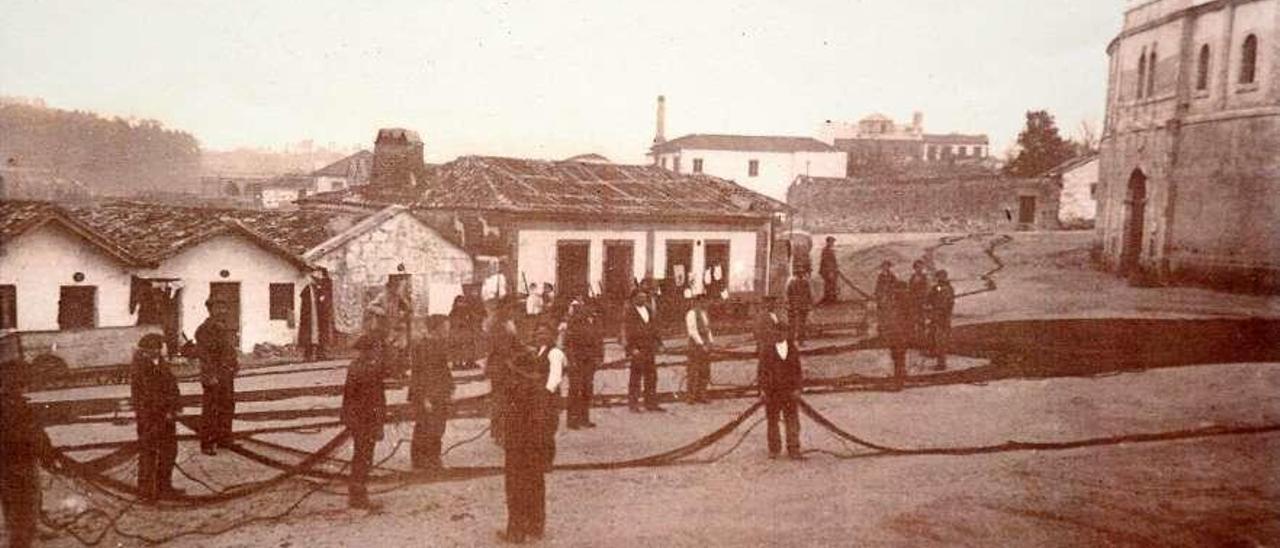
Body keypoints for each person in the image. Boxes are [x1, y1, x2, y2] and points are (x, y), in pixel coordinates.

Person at [498, 324, 559, 543]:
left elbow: (509, 420)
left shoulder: (515, 389)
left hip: (517, 446)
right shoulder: (541, 391)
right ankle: (536, 526)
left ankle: (516, 531)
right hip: (537, 446)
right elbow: (550, 423)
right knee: (536, 484)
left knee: (515, 486)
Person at [130, 334, 183, 500]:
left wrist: (175, 407)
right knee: (149, 454)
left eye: (159, 348)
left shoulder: (161, 364)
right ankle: (145, 492)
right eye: (154, 348)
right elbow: (147, 395)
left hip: (166, 417)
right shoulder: (140, 367)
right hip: (150, 418)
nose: (158, 351)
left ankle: (164, 487)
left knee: (169, 452)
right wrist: (163, 411)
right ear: (145, 350)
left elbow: (173, 387)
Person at [341, 330, 389, 510]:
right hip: (366, 419)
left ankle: (358, 494)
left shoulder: (357, 366)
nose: (378, 351)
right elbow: (375, 398)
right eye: (376, 348)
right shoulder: (368, 368)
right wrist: (379, 422)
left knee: (362, 456)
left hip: (359, 418)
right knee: (364, 457)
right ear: (369, 350)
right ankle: (358, 497)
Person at [1, 343, 42, 548]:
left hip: (8, 467)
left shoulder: (10, 403)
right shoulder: (16, 407)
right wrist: (45, 452)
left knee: (14, 513)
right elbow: (27, 436)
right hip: (20, 466)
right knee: (24, 515)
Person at [195, 297, 238, 456]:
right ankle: (207, 443)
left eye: (224, 307)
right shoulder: (205, 329)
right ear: (210, 310)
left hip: (226, 374)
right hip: (213, 375)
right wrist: (210, 375)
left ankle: (224, 439)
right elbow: (204, 355)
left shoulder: (223, 328)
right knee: (211, 409)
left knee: (227, 406)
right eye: (218, 307)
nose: (222, 311)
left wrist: (234, 365)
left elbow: (229, 350)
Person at [410, 317, 453, 472]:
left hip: (439, 393)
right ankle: (419, 461)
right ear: (436, 329)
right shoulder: (423, 346)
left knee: (438, 428)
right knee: (424, 427)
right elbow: (419, 374)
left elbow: (444, 369)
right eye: (444, 329)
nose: (447, 332)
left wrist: (450, 388)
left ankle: (433, 459)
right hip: (426, 394)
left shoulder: (438, 344)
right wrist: (424, 398)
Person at [757, 314, 803, 460]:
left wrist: (797, 389)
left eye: (783, 332)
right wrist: (763, 390)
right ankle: (774, 449)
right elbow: (761, 371)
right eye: (777, 332)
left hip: (789, 391)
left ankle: (793, 448)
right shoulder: (766, 349)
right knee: (772, 421)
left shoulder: (792, 349)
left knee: (792, 420)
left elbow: (798, 370)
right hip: (772, 392)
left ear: (787, 333)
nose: (779, 335)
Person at [485, 298, 522, 446]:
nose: (512, 311)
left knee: (505, 400)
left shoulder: (508, 323)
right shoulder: (497, 324)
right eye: (510, 308)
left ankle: (501, 432)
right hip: (499, 367)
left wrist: (526, 349)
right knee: (501, 400)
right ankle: (500, 434)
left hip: (506, 366)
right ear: (504, 308)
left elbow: (515, 343)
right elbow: (501, 348)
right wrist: (513, 361)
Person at [563, 297, 603, 428]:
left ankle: (584, 418)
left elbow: (599, 341)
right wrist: (571, 360)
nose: (591, 311)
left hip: (589, 361)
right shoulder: (574, 323)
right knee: (575, 389)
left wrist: (599, 357)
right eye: (589, 308)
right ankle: (572, 420)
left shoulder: (595, 322)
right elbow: (567, 344)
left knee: (587, 389)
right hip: (577, 360)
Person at [622, 289, 663, 412]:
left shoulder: (649, 310)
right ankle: (633, 404)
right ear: (634, 299)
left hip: (649, 348)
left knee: (651, 376)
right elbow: (627, 331)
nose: (643, 299)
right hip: (638, 349)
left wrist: (659, 343)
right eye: (640, 297)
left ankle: (650, 403)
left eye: (644, 297)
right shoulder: (629, 312)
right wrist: (631, 348)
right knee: (636, 377)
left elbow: (654, 328)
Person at [880, 280, 912, 389]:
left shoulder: (901, 302)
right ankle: (901, 376)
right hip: (899, 333)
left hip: (898, 334)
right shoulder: (901, 301)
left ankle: (899, 382)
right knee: (898, 356)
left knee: (898, 356)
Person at [684, 293, 714, 404]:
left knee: (705, 371)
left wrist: (711, 341)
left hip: (705, 345)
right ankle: (691, 396)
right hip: (695, 346)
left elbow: (708, 329)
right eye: (701, 302)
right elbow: (692, 331)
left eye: (705, 301)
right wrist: (701, 344)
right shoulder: (691, 314)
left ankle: (702, 394)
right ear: (696, 302)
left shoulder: (705, 313)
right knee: (693, 371)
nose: (704, 304)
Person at [298, 270, 334, 362]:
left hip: (319, 317)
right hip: (310, 316)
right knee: (309, 336)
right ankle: (308, 356)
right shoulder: (308, 289)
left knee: (320, 335)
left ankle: (320, 354)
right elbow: (306, 303)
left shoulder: (319, 289)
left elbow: (323, 302)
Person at [925, 270, 956, 371]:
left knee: (941, 340)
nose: (940, 278)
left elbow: (950, 304)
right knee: (932, 335)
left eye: (942, 276)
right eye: (939, 276)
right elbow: (930, 296)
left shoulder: (949, 289)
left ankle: (942, 363)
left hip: (943, 318)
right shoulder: (938, 287)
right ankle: (934, 354)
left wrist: (943, 313)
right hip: (936, 316)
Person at [786, 270, 814, 345]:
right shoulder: (793, 282)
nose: (801, 275)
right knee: (798, 324)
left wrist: (809, 304)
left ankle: (799, 340)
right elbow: (788, 294)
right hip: (797, 306)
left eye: (802, 273)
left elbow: (809, 294)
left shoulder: (804, 282)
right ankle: (797, 341)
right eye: (800, 273)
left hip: (800, 306)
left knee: (800, 324)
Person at [907, 260, 930, 344]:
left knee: (921, 321)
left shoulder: (924, 278)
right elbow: (909, 289)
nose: (919, 269)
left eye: (920, 267)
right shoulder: (912, 277)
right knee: (912, 320)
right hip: (913, 302)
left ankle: (921, 339)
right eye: (917, 267)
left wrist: (925, 301)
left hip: (921, 301)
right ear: (915, 268)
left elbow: (926, 290)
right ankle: (912, 338)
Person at [873, 261, 899, 336]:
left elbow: (895, 285)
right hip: (881, 298)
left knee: (889, 314)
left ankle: (890, 331)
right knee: (881, 315)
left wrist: (890, 291)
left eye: (887, 266)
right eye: (884, 266)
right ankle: (882, 331)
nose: (885, 267)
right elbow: (878, 287)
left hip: (889, 298)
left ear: (889, 267)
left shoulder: (892, 276)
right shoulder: (880, 276)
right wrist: (878, 295)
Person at [818, 236, 840, 305]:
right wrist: (831, 272)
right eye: (832, 242)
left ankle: (831, 298)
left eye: (833, 242)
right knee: (829, 285)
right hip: (828, 271)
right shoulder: (827, 250)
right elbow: (827, 262)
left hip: (830, 270)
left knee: (831, 285)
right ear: (828, 242)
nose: (833, 243)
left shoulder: (828, 250)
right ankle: (829, 299)